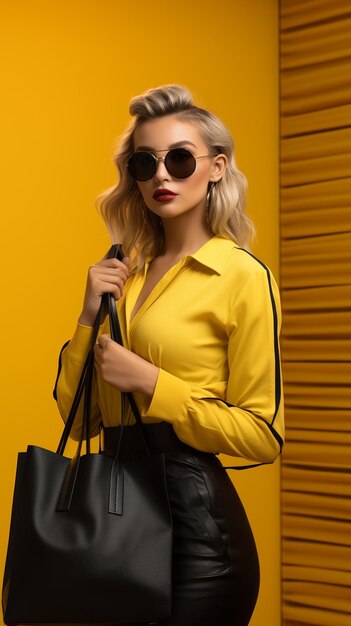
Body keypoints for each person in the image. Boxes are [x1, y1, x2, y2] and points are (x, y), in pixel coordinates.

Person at [54, 84, 284, 626]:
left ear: (217, 168)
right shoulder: (123, 275)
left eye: (180, 159)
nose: (162, 175)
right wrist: (88, 316)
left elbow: (264, 436)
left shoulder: (242, 277)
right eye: (145, 162)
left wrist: (154, 384)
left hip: (197, 538)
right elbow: (79, 419)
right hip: (116, 526)